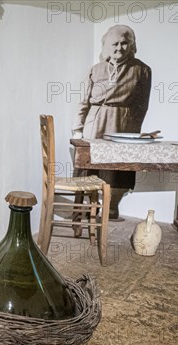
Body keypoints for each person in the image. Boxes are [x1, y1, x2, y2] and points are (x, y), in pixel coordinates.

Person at [72, 24, 152, 220]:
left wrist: (134, 130)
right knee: (88, 165)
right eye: (114, 43)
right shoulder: (96, 69)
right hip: (95, 123)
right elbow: (83, 100)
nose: (119, 48)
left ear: (131, 45)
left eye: (124, 43)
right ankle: (86, 206)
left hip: (123, 124)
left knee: (119, 170)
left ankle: (112, 205)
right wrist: (78, 128)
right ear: (107, 45)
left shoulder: (142, 70)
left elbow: (142, 104)